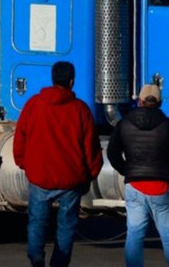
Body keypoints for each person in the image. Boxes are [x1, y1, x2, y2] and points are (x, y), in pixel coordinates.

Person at [14, 60, 103, 267]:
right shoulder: (80, 110)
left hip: (40, 176)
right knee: (66, 226)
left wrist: (23, 162)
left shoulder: (33, 105)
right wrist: (91, 173)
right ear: (72, 82)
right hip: (70, 179)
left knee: (37, 222)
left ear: (52, 78)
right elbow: (91, 146)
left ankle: (36, 258)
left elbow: (20, 137)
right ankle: (59, 263)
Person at [107, 83, 169, 267]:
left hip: (134, 186)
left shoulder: (123, 124)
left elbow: (112, 153)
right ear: (159, 103)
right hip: (160, 186)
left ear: (140, 101)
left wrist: (126, 170)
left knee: (134, 234)